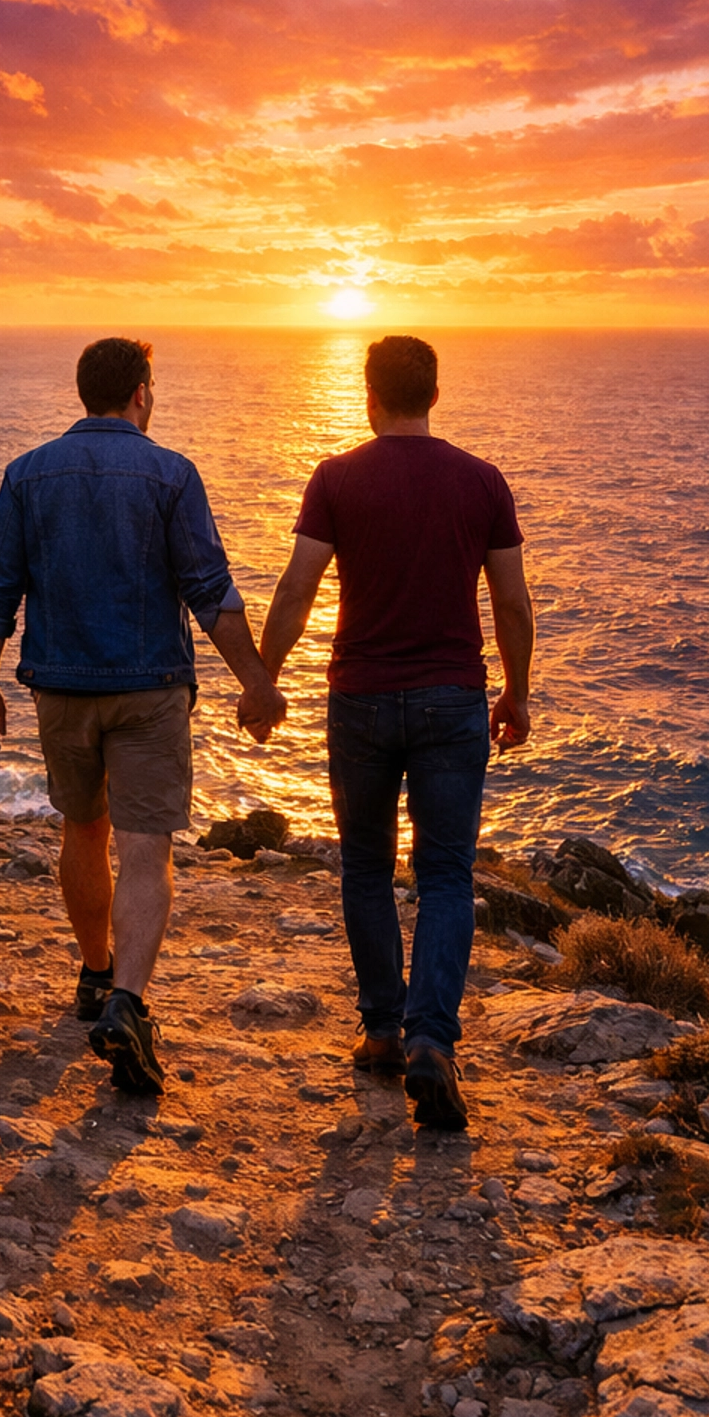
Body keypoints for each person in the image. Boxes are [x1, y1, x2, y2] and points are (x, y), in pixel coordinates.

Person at [0, 336, 286, 1097]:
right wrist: (258, 683)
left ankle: (95, 972)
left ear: (85, 393)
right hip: (150, 690)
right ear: (140, 391)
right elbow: (211, 591)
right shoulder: (172, 474)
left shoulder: (27, 474)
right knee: (146, 850)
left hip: (61, 689)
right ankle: (129, 1006)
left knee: (84, 831)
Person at [259, 335, 533, 1130]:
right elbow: (511, 603)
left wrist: (264, 678)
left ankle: (382, 1031)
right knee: (446, 875)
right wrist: (516, 692)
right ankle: (430, 1039)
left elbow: (299, 586)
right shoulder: (481, 481)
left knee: (367, 869)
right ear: (434, 395)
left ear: (368, 396)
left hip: (363, 700)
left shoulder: (336, 477)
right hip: (453, 700)